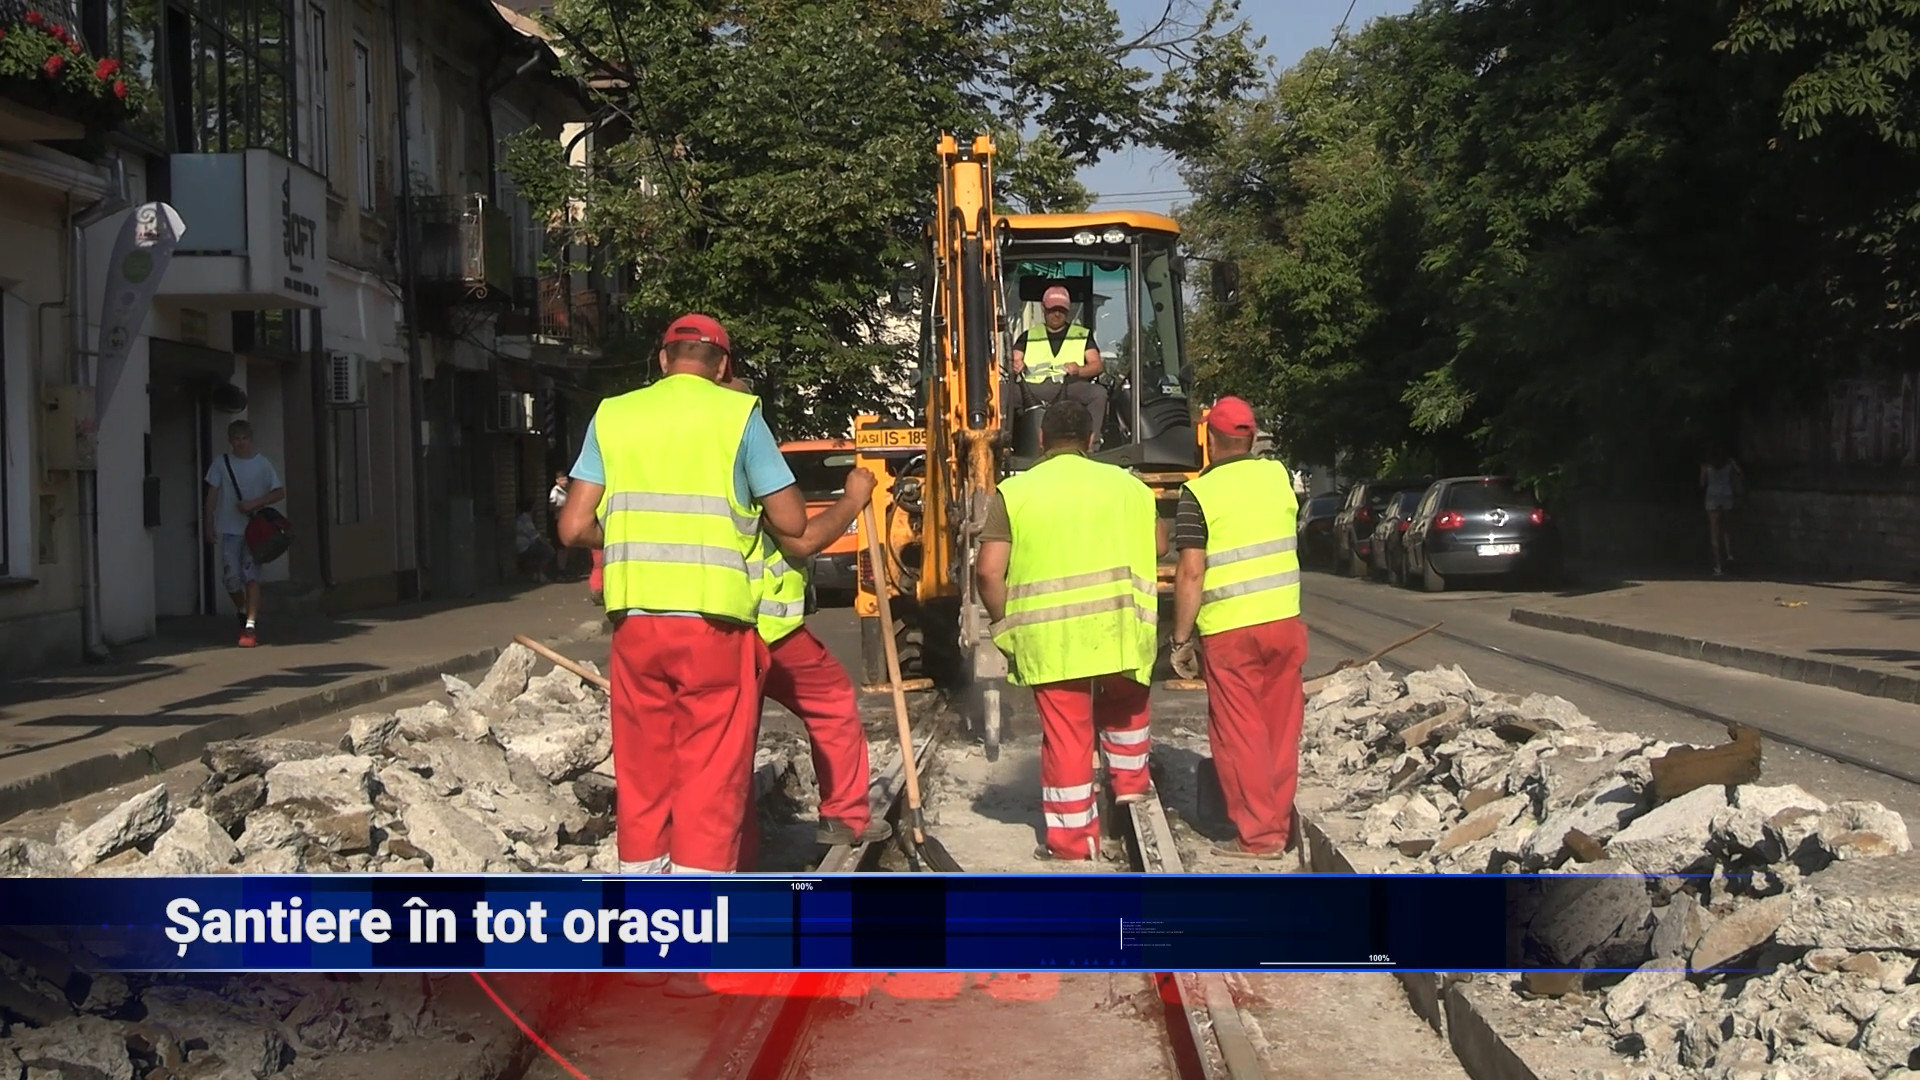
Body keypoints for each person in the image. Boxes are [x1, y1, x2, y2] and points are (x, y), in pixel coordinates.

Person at [975, 399, 1167, 862]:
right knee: (1125, 704)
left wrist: (1003, 625)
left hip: (1051, 638)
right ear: (1091, 440)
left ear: (1041, 440)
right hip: (1119, 625)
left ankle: (1074, 842)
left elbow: (988, 572)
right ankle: (1130, 784)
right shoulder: (1130, 487)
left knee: (1067, 737)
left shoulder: (1015, 493)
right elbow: (1159, 545)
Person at [718, 377, 888, 855]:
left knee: (728, 740)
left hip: (708, 624)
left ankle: (732, 849)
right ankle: (844, 815)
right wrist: (852, 499)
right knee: (831, 703)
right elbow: (803, 539)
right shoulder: (745, 460)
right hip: (767, 629)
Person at [1168, 397, 1305, 859]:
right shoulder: (1278, 476)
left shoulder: (1199, 494)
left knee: (1239, 733)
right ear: (1251, 437)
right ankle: (1278, 825)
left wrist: (1180, 639)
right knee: (1280, 729)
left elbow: (1191, 573)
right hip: (1284, 622)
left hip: (1231, 632)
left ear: (1210, 439)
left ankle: (1260, 837)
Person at [202, 419, 284, 649]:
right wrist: (208, 524)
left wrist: (254, 503)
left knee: (251, 576)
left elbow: (279, 492)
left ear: (251, 439)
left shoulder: (262, 464)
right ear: (230, 441)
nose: (241, 443)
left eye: (244, 438)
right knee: (231, 577)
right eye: (236, 439)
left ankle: (250, 625)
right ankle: (242, 608)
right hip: (229, 529)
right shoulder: (221, 463)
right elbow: (211, 496)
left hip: (254, 530)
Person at [1000, 286, 1109, 448]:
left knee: (1098, 393)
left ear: (1068, 310)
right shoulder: (1028, 336)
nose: (1057, 314)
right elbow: (1013, 359)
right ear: (1043, 308)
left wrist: (1079, 370)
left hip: (1069, 386)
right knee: (1001, 392)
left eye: (1061, 310)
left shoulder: (1082, 335)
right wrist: (1016, 365)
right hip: (1031, 388)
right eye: (1052, 309)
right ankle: (1001, 444)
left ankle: (1092, 446)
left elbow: (1097, 365)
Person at [1700, 450, 1744, 577]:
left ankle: (1718, 566)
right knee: (1726, 528)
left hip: (1712, 497)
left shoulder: (1706, 465)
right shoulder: (1729, 463)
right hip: (1726, 495)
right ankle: (1729, 554)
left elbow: (1702, 483)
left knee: (1714, 531)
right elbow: (1740, 473)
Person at [514, 499, 555, 582]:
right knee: (549, 552)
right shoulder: (525, 519)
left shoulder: (524, 518)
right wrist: (548, 544)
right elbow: (535, 536)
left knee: (540, 551)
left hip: (526, 545)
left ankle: (535, 574)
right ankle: (540, 574)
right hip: (524, 546)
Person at [547, 472, 574, 576]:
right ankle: (560, 570)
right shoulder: (555, 492)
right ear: (557, 481)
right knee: (561, 547)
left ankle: (565, 567)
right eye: (562, 479)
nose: (565, 481)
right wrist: (564, 507)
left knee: (567, 546)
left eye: (565, 479)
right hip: (558, 520)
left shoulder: (566, 490)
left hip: (566, 520)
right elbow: (551, 507)